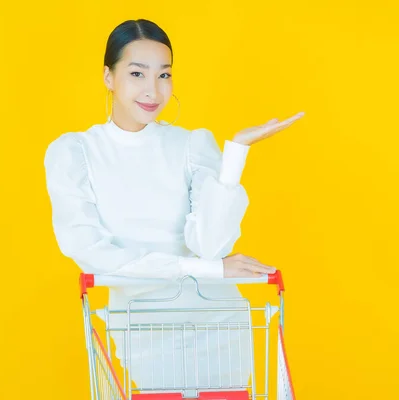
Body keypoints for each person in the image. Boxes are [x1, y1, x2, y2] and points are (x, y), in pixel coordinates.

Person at [43, 18, 304, 396]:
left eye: (164, 75)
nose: (153, 90)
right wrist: (204, 269)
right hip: (144, 327)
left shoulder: (192, 145)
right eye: (137, 73)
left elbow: (212, 245)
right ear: (108, 77)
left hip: (219, 324)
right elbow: (91, 253)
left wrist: (234, 157)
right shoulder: (75, 153)